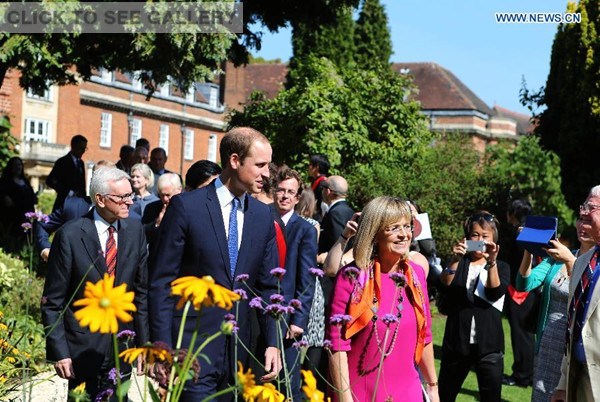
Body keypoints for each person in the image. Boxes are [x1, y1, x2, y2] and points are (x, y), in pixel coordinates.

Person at [148, 127, 282, 401]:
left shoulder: (262, 216)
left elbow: (268, 286)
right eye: (260, 165)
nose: (267, 174)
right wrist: (162, 349)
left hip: (238, 355)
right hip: (191, 350)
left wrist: (273, 342)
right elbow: (161, 282)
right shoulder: (186, 207)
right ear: (234, 160)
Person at [40, 166, 148, 400]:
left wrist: (142, 343)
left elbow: (140, 293)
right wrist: (60, 352)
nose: (129, 202)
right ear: (100, 199)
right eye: (122, 197)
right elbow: (53, 301)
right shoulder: (70, 235)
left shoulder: (135, 230)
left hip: (122, 345)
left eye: (130, 195)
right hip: (82, 349)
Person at [326, 197, 438, 401]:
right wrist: (344, 398)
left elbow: (426, 335)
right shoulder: (352, 277)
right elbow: (337, 344)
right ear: (375, 233)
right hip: (360, 391)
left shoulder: (416, 275)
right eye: (394, 228)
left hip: (408, 390)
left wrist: (432, 386)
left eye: (407, 226)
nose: (404, 234)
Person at [517, 217, 595, 402]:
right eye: (580, 220)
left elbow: (587, 298)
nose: (582, 226)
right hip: (547, 344)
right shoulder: (556, 260)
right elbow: (524, 283)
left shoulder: (594, 267)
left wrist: (570, 261)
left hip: (574, 349)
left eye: (589, 222)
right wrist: (529, 249)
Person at [437, 211, 510, 402]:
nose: (480, 240)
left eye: (485, 236)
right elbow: (445, 283)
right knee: (445, 395)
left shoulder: (501, 266)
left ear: (494, 239)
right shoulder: (459, 262)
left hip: (488, 345)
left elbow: (495, 291)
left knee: (491, 397)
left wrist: (491, 261)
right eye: (475, 235)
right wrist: (454, 259)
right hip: (456, 342)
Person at [552, 188, 600, 402]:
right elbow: (573, 325)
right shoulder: (582, 263)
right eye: (584, 206)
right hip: (577, 379)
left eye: (593, 207)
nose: (585, 211)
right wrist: (563, 384)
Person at [36, 160, 116, 262]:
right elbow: (42, 224)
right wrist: (45, 248)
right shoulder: (72, 206)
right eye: (96, 177)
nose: (98, 182)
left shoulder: (125, 213)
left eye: (105, 178)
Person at [501, 198, 536, 387]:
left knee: (520, 333)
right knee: (527, 334)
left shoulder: (520, 234)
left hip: (520, 290)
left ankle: (522, 376)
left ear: (513, 213)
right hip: (530, 289)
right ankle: (527, 374)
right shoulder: (533, 231)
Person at [0, 156, 37, 252]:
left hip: (27, 216)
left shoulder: (25, 182)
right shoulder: (5, 182)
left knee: (26, 241)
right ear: (11, 167)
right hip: (12, 218)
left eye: (20, 165)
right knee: (12, 242)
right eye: (15, 165)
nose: (18, 167)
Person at [46, 134, 87, 211]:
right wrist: (67, 192)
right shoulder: (62, 162)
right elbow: (50, 180)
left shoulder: (81, 163)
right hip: (64, 202)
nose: (83, 151)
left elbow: (82, 184)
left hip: (77, 204)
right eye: (81, 148)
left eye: (84, 149)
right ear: (73, 146)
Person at [141, 173, 183, 247]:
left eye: (168, 195)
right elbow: (143, 236)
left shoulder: (187, 208)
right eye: (161, 195)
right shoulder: (151, 208)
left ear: (179, 190)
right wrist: (157, 223)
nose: (165, 199)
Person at [307, 154, 329, 221]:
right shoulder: (315, 181)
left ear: (317, 167)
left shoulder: (323, 184)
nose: (308, 167)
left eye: (310, 164)